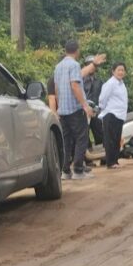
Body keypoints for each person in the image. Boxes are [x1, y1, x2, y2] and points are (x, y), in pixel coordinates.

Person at [54, 40, 95, 180]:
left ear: (65, 50)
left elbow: (57, 89)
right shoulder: (75, 65)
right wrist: (85, 105)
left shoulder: (58, 67)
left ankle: (65, 171)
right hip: (75, 110)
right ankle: (78, 169)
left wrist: (59, 107)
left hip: (62, 111)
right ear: (77, 50)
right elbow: (75, 86)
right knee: (81, 138)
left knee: (66, 141)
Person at [99, 62, 128, 170]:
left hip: (119, 115)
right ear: (113, 71)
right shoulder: (110, 83)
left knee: (116, 139)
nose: (121, 72)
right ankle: (110, 162)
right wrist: (104, 109)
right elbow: (103, 98)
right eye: (118, 70)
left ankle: (115, 161)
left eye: (122, 70)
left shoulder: (122, 83)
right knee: (110, 139)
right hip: (111, 114)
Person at [83, 56, 104, 164]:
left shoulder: (99, 81)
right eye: (89, 65)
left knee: (100, 134)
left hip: (96, 112)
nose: (91, 68)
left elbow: (102, 96)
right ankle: (88, 160)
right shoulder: (80, 81)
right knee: (85, 136)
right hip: (84, 112)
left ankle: (103, 157)